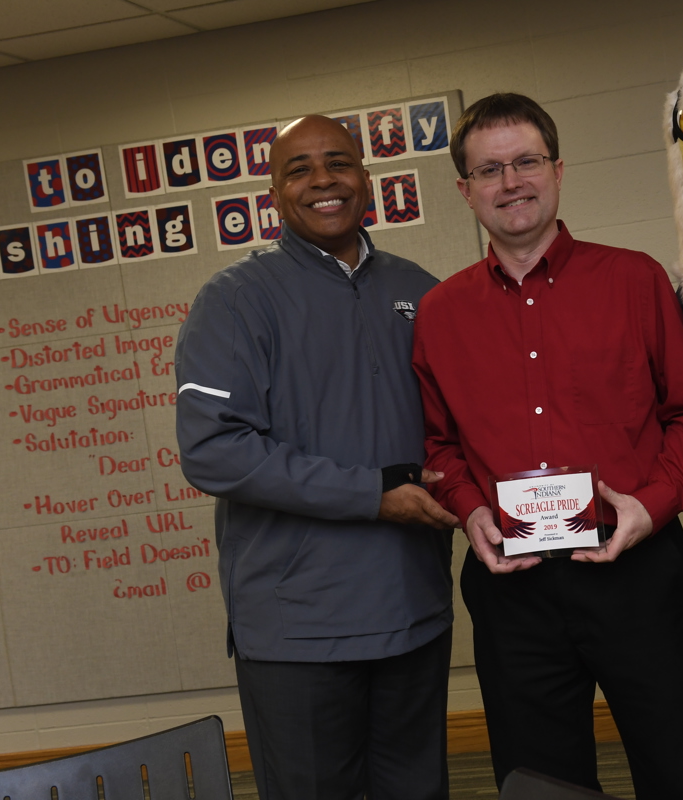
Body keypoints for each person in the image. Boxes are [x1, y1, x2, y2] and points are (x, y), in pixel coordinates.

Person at [412, 93, 683, 799]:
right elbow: (440, 449)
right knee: (541, 787)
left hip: (638, 572)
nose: (511, 181)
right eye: (489, 170)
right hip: (513, 589)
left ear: (558, 170)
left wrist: (650, 506)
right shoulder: (440, 314)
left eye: (526, 161)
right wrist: (469, 512)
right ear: (465, 191)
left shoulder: (634, 279)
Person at [174, 115, 459, 800]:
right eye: (299, 169)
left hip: (414, 607)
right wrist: (373, 494)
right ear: (274, 193)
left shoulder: (423, 291)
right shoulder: (235, 299)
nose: (322, 179)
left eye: (338, 162)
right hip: (297, 629)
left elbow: (462, 430)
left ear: (367, 180)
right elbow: (213, 452)